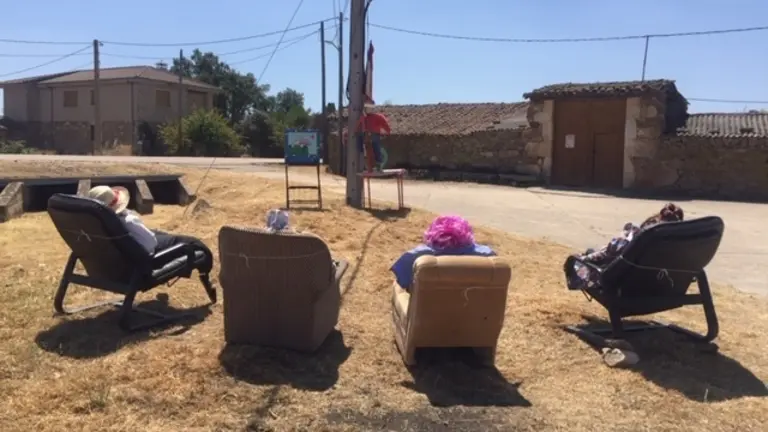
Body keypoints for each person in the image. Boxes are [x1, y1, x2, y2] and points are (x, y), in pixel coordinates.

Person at [86, 185, 213, 274]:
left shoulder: (95, 224)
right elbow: (151, 244)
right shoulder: (128, 221)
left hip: (117, 263)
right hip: (143, 261)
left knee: (162, 233)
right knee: (190, 242)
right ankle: (205, 271)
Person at [568, 203, 684, 289]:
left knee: (591, 254)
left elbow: (609, 253)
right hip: (658, 287)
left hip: (628, 285)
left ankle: (587, 255)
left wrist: (584, 258)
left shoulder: (637, 242)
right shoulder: (678, 249)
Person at [390, 215, 496, 291]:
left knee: (397, 287)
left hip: (429, 315)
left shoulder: (416, 256)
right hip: (475, 316)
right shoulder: (487, 257)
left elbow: (402, 282)